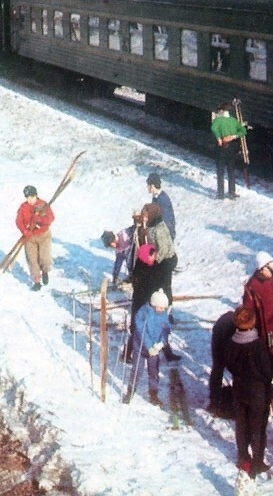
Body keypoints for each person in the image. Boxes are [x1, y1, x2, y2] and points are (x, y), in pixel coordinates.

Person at [223, 306, 273, 479]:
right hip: (257, 392)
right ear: (252, 322)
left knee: (241, 424)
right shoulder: (258, 345)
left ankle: (243, 457)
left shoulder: (231, 342)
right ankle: (258, 461)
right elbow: (267, 372)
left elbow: (229, 364)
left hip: (239, 389)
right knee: (257, 426)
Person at [141, 203, 180, 358]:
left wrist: (153, 260)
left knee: (163, 291)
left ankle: (166, 307)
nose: (144, 217)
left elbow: (163, 250)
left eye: (145, 215)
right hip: (158, 263)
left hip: (165, 263)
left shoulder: (160, 229)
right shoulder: (151, 225)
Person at [122, 290, 172, 406]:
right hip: (140, 347)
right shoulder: (143, 313)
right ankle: (130, 393)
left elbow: (166, 328)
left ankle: (153, 394)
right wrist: (149, 346)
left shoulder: (163, 313)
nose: (163, 310)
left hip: (154, 349)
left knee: (153, 371)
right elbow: (141, 332)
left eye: (164, 308)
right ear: (154, 305)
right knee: (136, 371)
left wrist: (161, 343)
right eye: (161, 308)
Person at [242, 251, 273, 354]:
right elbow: (248, 307)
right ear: (261, 269)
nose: (272, 271)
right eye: (269, 268)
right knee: (266, 345)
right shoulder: (252, 285)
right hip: (261, 323)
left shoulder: (271, 280)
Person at [15, 185, 55, 291]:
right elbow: (18, 221)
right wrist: (24, 231)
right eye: (27, 198)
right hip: (30, 238)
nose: (29, 200)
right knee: (32, 260)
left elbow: (51, 218)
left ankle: (45, 271)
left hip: (43, 236)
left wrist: (40, 220)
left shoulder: (43, 205)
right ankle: (37, 281)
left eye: (31, 197)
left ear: (36, 196)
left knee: (44, 258)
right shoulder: (23, 207)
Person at [210, 102, 246, 200]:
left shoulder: (218, 120)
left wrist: (219, 138)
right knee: (231, 170)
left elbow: (213, 128)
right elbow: (243, 131)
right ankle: (232, 193)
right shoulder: (234, 121)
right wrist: (233, 136)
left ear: (222, 111)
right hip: (232, 147)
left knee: (220, 171)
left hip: (221, 147)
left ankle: (220, 194)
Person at [208, 309, 237, 418]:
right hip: (221, 332)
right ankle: (214, 401)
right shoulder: (226, 332)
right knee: (218, 367)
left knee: (220, 368)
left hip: (227, 330)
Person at [147, 172, 176, 240]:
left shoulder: (163, 200)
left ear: (152, 186)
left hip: (165, 236)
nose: (147, 187)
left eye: (148, 185)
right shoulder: (155, 197)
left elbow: (167, 222)